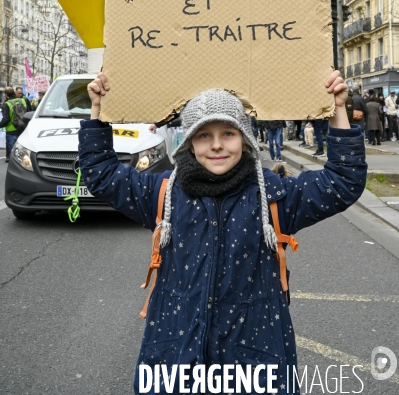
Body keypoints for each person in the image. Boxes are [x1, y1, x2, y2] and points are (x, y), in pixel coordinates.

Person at [78, 70, 367, 395]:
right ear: (189, 142)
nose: (216, 145)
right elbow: (101, 174)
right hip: (176, 364)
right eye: (203, 135)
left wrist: (339, 108)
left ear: (243, 138)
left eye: (228, 133)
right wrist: (97, 110)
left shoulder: (274, 196)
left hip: (255, 368)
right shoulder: (163, 193)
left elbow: (342, 182)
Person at [0, 87, 27, 162]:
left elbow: (6, 119)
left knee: (14, 152)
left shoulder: (7, 104)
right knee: (22, 151)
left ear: (6, 95)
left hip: (11, 130)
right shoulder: (23, 100)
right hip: (22, 128)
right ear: (14, 93)